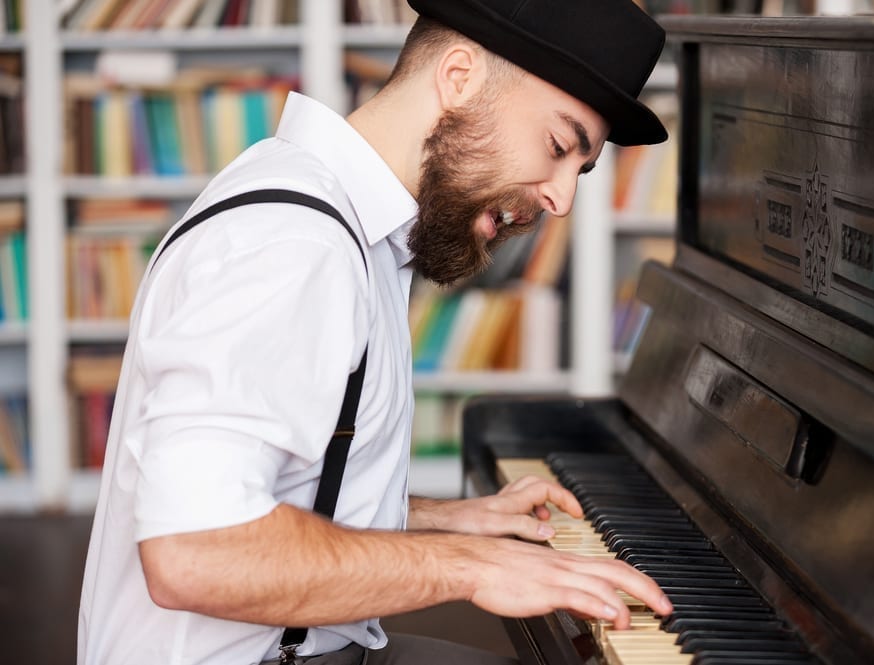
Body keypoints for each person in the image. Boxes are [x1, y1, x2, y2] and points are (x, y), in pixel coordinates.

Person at [77, 0, 672, 663]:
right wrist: (470, 565)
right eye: (560, 146)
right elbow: (194, 550)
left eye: (579, 171)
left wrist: (442, 517)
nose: (562, 198)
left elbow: (290, 479)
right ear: (458, 76)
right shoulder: (293, 244)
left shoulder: (347, 220)